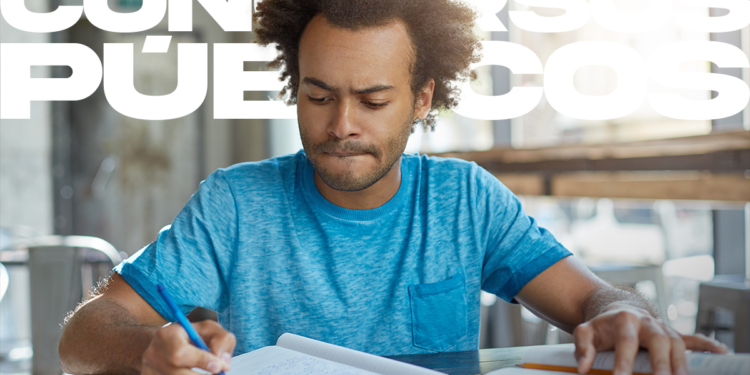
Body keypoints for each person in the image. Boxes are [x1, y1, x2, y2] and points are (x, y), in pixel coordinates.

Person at [59, 1, 728, 374]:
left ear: (421, 98)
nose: (341, 125)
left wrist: (628, 313)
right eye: (318, 96)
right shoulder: (236, 203)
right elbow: (84, 332)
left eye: (373, 100)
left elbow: (592, 296)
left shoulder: (465, 198)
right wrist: (145, 349)